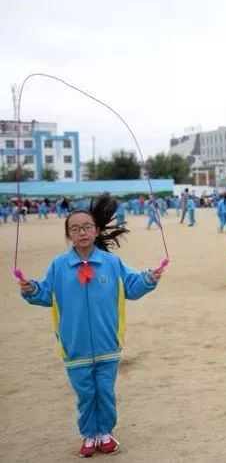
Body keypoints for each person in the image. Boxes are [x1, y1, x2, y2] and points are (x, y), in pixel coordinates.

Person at [17, 195, 163, 457]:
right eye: (75, 228)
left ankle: (105, 432)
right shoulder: (59, 266)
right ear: (68, 235)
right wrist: (31, 289)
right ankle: (89, 434)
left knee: (104, 391)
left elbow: (132, 286)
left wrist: (149, 278)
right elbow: (44, 293)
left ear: (96, 231)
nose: (81, 232)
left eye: (86, 227)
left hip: (108, 343)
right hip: (75, 346)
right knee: (85, 394)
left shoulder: (111, 262)